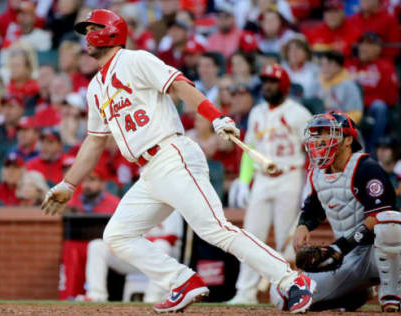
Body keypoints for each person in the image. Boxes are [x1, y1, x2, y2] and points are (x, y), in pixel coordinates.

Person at [42, 9, 315, 314]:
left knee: (215, 229)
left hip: (172, 155)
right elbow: (94, 141)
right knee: (117, 236)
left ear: (110, 32)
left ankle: (292, 279)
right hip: (148, 172)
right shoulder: (95, 88)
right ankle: (182, 281)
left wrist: (216, 116)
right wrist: (68, 184)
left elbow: (179, 85)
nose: (87, 37)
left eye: (92, 28)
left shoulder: (135, 60)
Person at [271, 111, 401, 312]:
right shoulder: (317, 172)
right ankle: (352, 294)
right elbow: (314, 207)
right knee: (283, 294)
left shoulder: (367, 168)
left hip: (382, 253)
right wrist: (303, 225)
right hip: (348, 258)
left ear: (348, 140)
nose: (319, 140)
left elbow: (379, 216)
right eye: (317, 134)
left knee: (389, 222)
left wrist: (341, 247)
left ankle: (391, 296)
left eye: (327, 133)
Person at [227, 64, 312, 304]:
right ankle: (245, 293)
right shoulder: (256, 112)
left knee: (288, 238)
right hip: (262, 178)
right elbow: (249, 149)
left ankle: (287, 292)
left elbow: (312, 151)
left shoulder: (299, 113)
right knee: (251, 236)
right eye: (264, 81)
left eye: (272, 82)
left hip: (290, 176)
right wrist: (244, 181)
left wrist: (309, 183)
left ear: (284, 85)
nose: (267, 86)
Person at [76, 211, 184, 303]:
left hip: (162, 262)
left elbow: (172, 238)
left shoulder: (170, 208)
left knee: (161, 245)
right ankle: (96, 295)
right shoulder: (136, 205)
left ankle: (153, 299)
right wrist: (116, 244)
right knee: (97, 245)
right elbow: (120, 233)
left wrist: (141, 242)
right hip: (135, 257)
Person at [347, 32, 399, 154]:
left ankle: (372, 153)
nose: (364, 47)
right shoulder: (349, 64)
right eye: (362, 44)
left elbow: (390, 98)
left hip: (370, 109)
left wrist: (362, 100)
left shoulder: (385, 67)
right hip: (349, 107)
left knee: (379, 107)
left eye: (369, 44)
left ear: (378, 49)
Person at [316, 50, 363, 124]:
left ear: (339, 67)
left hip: (340, 127)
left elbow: (355, 114)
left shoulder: (349, 86)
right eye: (322, 64)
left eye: (329, 65)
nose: (324, 68)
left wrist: (336, 122)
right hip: (318, 124)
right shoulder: (317, 82)